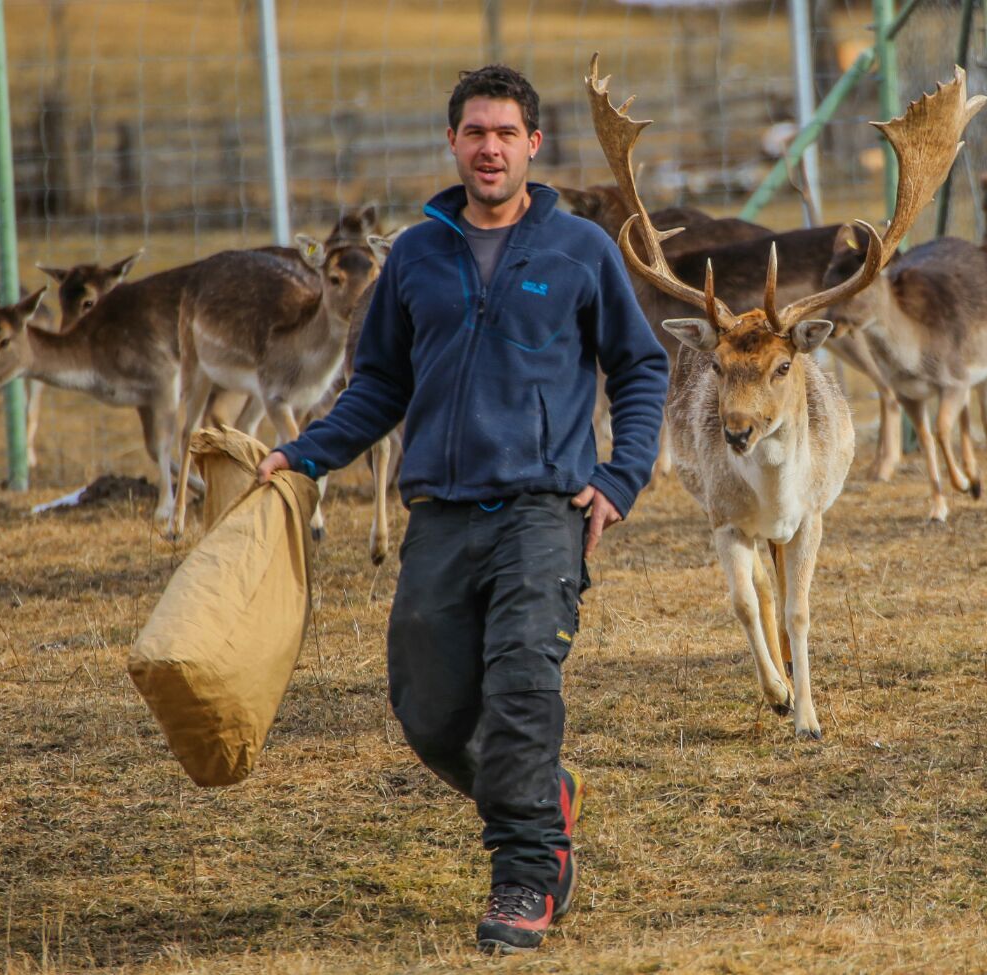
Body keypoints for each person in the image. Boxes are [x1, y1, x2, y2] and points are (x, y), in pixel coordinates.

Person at [257, 64, 669, 954]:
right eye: (474, 132)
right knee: (431, 709)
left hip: (542, 510)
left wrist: (621, 475)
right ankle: (542, 792)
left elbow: (641, 369)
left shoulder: (580, 252)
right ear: (452, 143)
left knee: (523, 687)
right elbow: (379, 387)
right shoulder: (413, 257)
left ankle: (526, 873)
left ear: (533, 145)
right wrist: (303, 454)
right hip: (440, 512)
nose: (489, 147)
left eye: (505, 132)